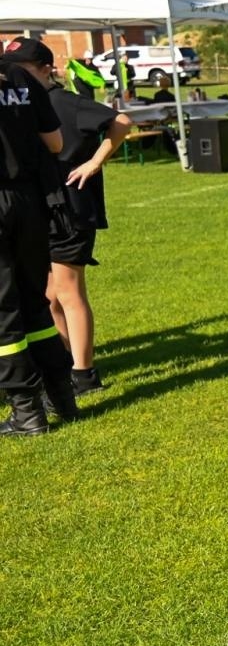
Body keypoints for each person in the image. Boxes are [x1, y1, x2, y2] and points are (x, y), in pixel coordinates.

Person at [23, 48, 131, 394]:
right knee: (51, 295)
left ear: (45, 69)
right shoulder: (28, 104)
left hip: (71, 208)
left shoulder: (66, 102)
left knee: (69, 291)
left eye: (24, 69)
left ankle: (85, 375)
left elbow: (122, 122)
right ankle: (68, 361)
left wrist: (95, 162)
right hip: (46, 208)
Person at [0, 39, 75, 435]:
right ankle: (62, 397)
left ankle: (26, 412)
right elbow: (56, 142)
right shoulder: (21, 78)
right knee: (34, 302)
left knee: (3, 313)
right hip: (30, 201)